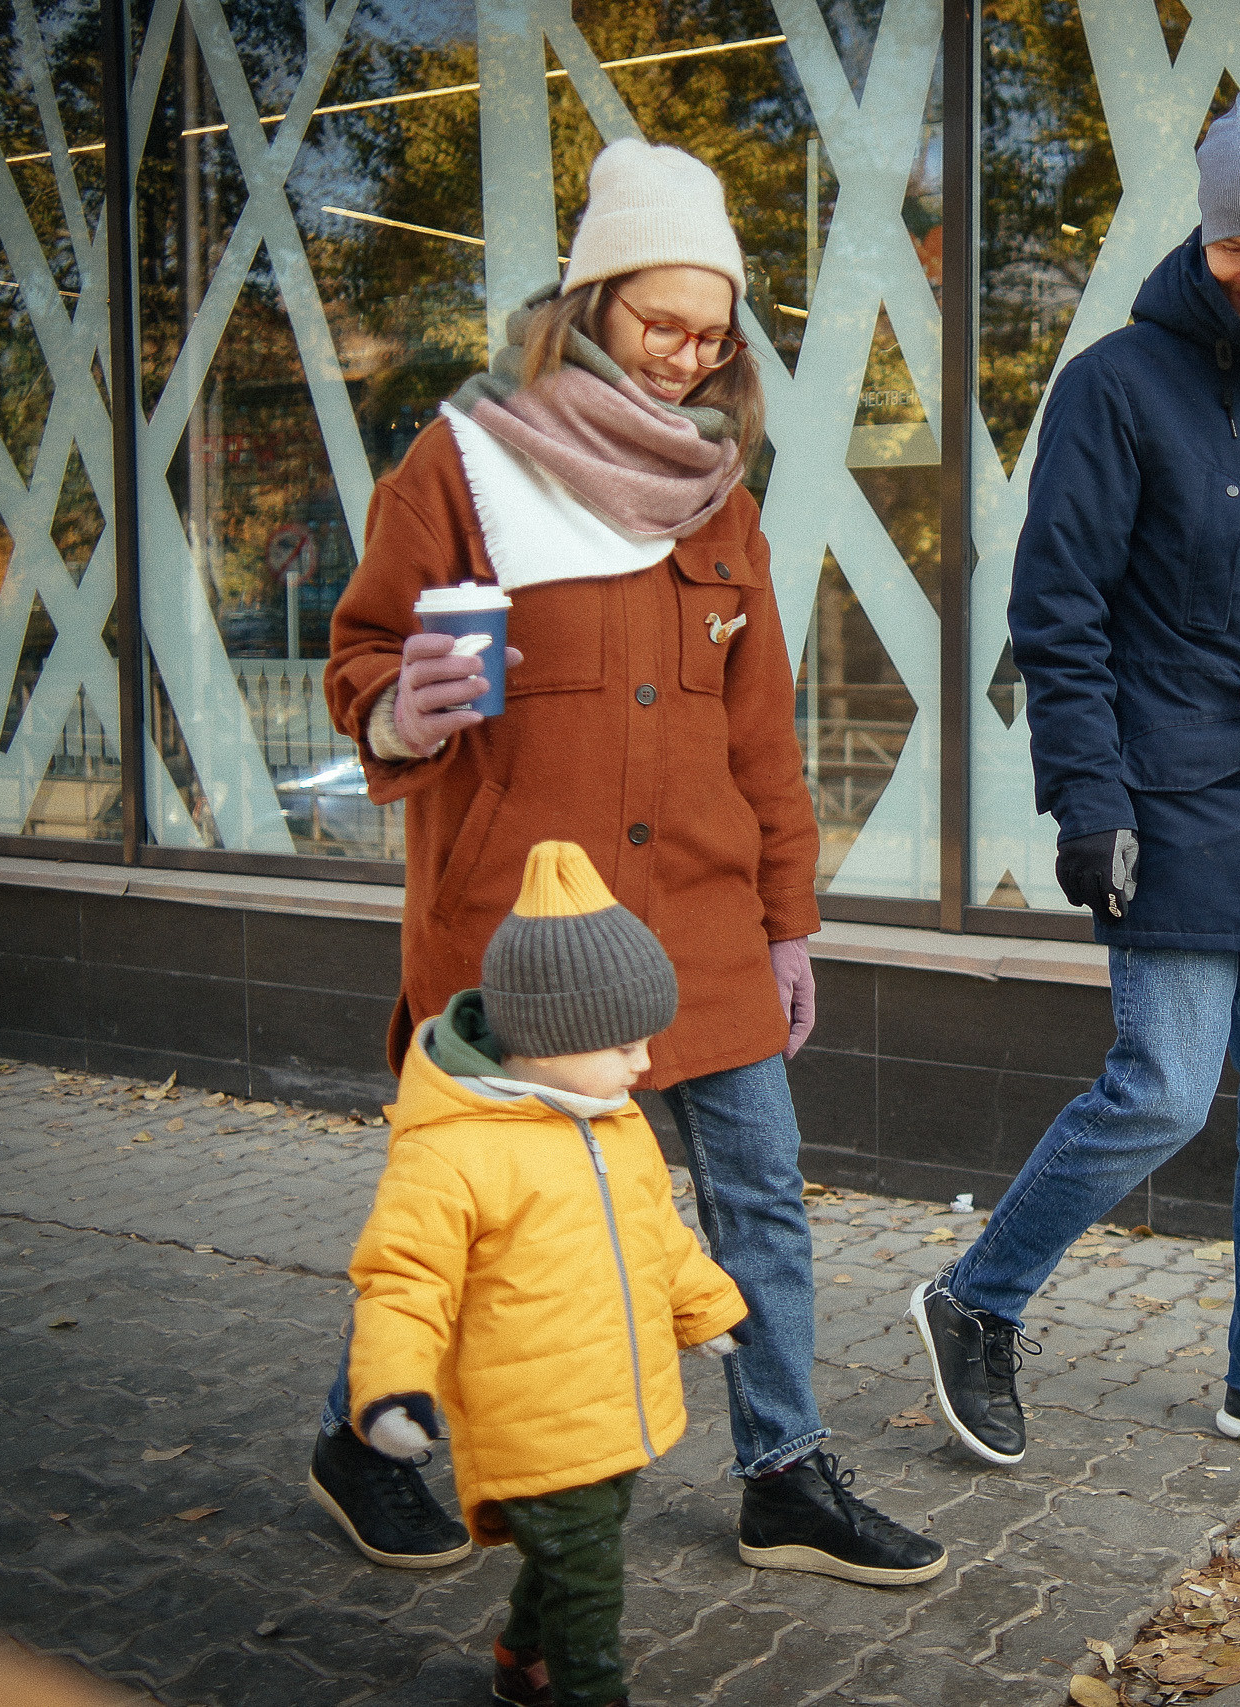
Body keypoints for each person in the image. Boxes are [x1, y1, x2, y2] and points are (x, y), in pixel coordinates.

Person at [318, 139, 944, 1587]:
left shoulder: (717, 494)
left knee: (761, 1199)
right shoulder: (463, 463)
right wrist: (398, 703)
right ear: (591, 302)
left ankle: (782, 1469)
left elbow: (762, 733)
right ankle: (363, 1434)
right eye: (661, 322)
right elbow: (361, 651)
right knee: (487, 1214)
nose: (686, 357)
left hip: (707, 919)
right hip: (521, 930)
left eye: (713, 333)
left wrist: (791, 923)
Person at [907, 82, 1240, 1475]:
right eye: (1233, 244)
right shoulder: (1115, 385)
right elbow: (1060, 610)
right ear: (1203, 238)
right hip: (1176, 795)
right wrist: (1090, 799)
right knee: (1162, 1090)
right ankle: (976, 1296)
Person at [347, 840, 748, 1707]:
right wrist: (389, 1391)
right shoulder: (451, 1150)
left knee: (580, 1550)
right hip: (532, 1423)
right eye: (625, 1043)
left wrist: (708, 1306)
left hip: (612, 1404)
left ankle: (520, 1657)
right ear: (549, 1037)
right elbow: (403, 1281)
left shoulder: (611, 1118)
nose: (645, 1063)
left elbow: (657, 1230)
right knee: (592, 1577)